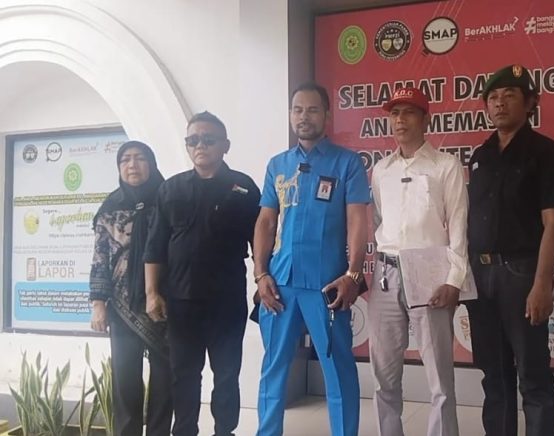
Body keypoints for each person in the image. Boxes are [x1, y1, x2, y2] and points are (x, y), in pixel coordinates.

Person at [253, 82, 369, 436]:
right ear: (291, 115)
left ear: (327, 115)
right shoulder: (278, 165)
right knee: (274, 368)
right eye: (297, 110)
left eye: (312, 109)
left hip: (327, 285)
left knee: (338, 369)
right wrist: (260, 274)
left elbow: (357, 221)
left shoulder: (347, 163)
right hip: (281, 284)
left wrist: (353, 274)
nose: (304, 117)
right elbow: (266, 222)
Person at [466, 64, 554, 436]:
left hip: (522, 273)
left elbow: (553, 223)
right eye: (493, 97)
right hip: (481, 276)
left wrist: (543, 284)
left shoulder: (545, 153)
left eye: (509, 95)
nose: (499, 103)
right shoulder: (480, 156)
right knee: (493, 374)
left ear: (529, 103)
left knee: (533, 375)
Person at [143, 112, 261, 436]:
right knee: (184, 375)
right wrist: (152, 293)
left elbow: (261, 239)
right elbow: (155, 247)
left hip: (227, 301)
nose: (200, 146)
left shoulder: (244, 187)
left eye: (208, 139)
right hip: (181, 302)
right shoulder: (171, 189)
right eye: (193, 140)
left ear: (225, 145)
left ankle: (225, 431)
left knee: (227, 375)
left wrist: (262, 279)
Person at [369, 87, 471, 436]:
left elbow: (458, 227)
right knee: (383, 373)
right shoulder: (382, 170)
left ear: (425, 119)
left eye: (409, 112)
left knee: (439, 375)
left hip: (430, 271)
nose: (400, 120)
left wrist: (454, 279)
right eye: (395, 113)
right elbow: (380, 218)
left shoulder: (446, 166)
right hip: (386, 271)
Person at [90, 141, 172, 436]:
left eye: (139, 158)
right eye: (125, 160)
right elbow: (100, 257)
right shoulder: (110, 208)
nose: (132, 165)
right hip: (122, 307)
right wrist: (98, 303)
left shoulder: (168, 200)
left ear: (152, 163)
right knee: (125, 382)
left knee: (166, 380)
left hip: (163, 303)